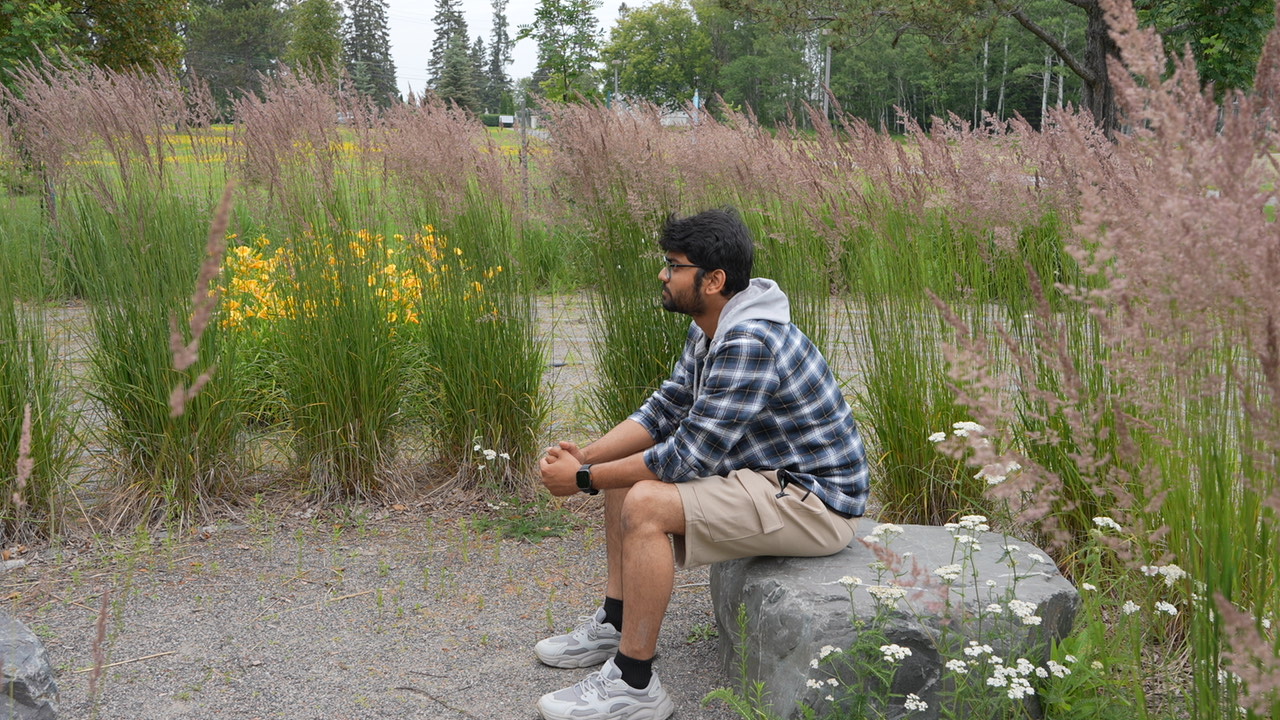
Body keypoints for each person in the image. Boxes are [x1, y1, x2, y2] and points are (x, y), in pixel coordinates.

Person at [536, 208, 869, 720]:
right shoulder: (712, 326)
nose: (663, 275)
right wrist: (591, 454)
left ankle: (634, 685)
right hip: (768, 477)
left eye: (674, 265)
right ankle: (616, 623)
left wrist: (581, 480)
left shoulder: (749, 340)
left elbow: (686, 456)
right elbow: (666, 408)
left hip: (815, 502)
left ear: (713, 280)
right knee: (629, 471)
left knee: (645, 500)